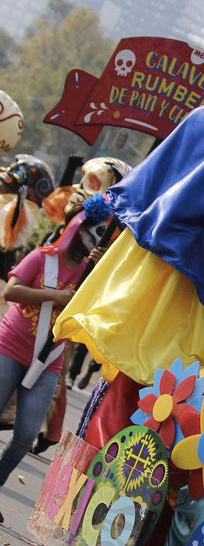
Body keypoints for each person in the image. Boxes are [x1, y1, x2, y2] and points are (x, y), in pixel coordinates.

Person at [0, 199, 109, 509]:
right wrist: (55, 295)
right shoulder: (41, 257)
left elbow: (98, 310)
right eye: (92, 232)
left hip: (49, 360)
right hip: (10, 346)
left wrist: (102, 271)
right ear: (75, 229)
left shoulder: (91, 274)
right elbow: (10, 291)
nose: (94, 240)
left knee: (26, 434)